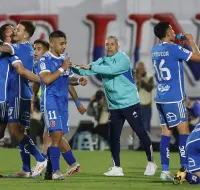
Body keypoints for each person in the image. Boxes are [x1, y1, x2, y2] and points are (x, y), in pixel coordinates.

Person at [72, 35, 157, 176]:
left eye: (112, 44)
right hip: (114, 106)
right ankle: (117, 167)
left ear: (117, 46)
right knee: (113, 137)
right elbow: (86, 70)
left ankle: (151, 162)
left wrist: (91, 66)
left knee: (140, 132)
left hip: (129, 103)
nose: (109, 47)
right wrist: (71, 67)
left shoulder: (123, 59)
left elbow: (110, 70)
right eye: (107, 44)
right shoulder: (102, 61)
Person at [33, 39, 87, 179]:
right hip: (50, 102)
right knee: (54, 136)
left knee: (57, 136)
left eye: (65, 43)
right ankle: (54, 171)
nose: (64, 46)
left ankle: (62, 167)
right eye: (61, 43)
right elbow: (46, 79)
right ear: (52, 44)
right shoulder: (44, 60)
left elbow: (68, 80)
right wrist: (62, 67)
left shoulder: (65, 59)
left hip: (62, 104)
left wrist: (79, 81)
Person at [152, 21, 200, 181]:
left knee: (166, 132)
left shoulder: (155, 49)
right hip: (175, 98)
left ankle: (165, 171)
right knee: (183, 132)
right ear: (167, 34)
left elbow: (170, 50)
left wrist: (178, 40)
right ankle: (184, 171)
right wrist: (191, 42)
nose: (174, 31)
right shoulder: (174, 49)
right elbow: (198, 58)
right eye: (172, 30)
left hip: (160, 97)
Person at [0, 21, 47, 178]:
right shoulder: (25, 50)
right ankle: (26, 169)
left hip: (19, 94)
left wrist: (40, 82)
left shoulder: (21, 48)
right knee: (19, 131)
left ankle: (40, 159)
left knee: (15, 131)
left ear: (25, 35)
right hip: (16, 94)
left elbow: (4, 49)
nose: (15, 32)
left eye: (18, 30)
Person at [135, 61, 154, 134]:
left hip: (147, 106)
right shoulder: (134, 79)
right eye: (139, 69)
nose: (140, 70)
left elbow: (149, 88)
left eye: (142, 68)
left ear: (144, 69)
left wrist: (141, 81)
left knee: (146, 126)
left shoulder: (149, 77)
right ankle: (140, 143)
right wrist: (137, 81)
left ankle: (147, 144)